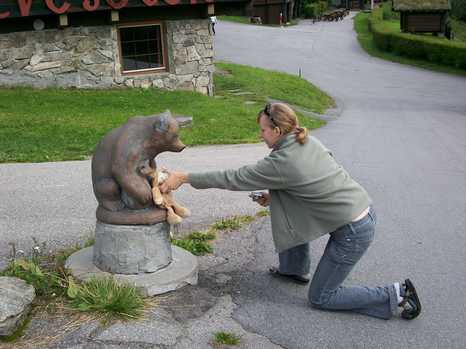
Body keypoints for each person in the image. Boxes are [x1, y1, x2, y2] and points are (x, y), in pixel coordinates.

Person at [160, 102, 422, 320]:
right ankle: (294, 269)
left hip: (353, 230)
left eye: (263, 130)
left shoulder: (283, 161)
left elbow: (234, 177)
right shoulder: (304, 140)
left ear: (276, 130)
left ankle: (396, 293)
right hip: (360, 212)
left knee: (322, 297)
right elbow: (311, 178)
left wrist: (185, 177)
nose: (260, 134)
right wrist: (273, 194)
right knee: (282, 200)